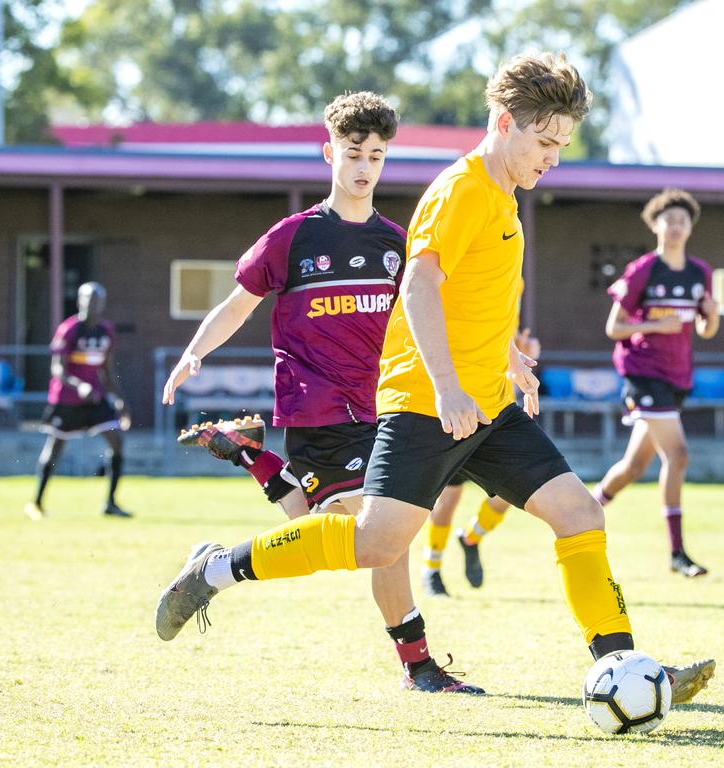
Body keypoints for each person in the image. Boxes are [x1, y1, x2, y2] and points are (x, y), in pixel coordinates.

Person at [155, 54, 715, 703]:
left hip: (488, 403)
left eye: (563, 144)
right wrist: (447, 386)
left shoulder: (503, 195)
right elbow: (419, 286)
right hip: (429, 403)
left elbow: (468, 295)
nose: (554, 157)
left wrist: (510, 362)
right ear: (505, 123)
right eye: (546, 141)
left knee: (580, 513)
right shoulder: (464, 189)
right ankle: (216, 569)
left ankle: (625, 667)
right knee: (374, 543)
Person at [161, 92, 475, 693]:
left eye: (377, 157)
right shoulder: (294, 237)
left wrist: (505, 356)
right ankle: (419, 667)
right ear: (329, 153)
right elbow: (238, 304)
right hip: (320, 409)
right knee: (377, 530)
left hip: (386, 409)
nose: (364, 167)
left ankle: (250, 464)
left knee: (341, 530)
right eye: (354, 153)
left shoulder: (398, 244)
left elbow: (440, 311)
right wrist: (194, 351)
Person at [592, 189, 720, 577]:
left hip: (677, 376)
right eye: (670, 220)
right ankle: (677, 554)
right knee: (678, 456)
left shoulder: (700, 273)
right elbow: (614, 328)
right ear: (655, 225)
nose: (677, 226)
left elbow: (706, 329)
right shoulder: (644, 270)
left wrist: (712, 316)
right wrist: (654, 325)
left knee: (632, 468)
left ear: (690, 227)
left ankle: (581, 511)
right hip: (643, 373)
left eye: (683, 220)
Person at [421, 328, 539, 597]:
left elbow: (510, 346)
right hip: (460, 410)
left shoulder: (511, 289)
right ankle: (432, 570)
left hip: (498, 413)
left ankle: (471, 538)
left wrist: (528, 353)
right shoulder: (459, 293)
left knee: (512, 494)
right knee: (447, 501)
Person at [25, 282, 132, 520]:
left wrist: (120, 400)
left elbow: (106, 369)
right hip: (67, 399)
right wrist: (80, 385)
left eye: (96, 300)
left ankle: (111, 503)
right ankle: (36, 503)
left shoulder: (106, 331)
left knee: (117, 442)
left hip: (95, 399)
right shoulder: (69, 329)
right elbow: (58, 370)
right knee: (55, 449)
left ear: (102, 304)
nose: (91, 304)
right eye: (87, 299)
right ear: (79, 301)